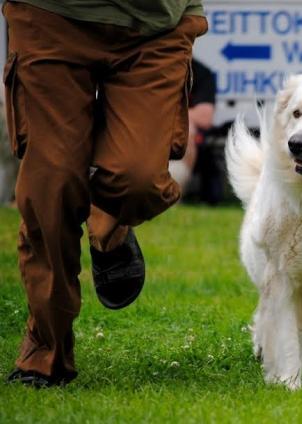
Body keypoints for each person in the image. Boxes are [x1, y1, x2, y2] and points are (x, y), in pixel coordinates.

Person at [3, 0, 207, 387]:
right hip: (51, 16)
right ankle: (45, 351)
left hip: (155, 24)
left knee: (138, 178)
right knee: (53, 188)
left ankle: (108, 224)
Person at [168, 58, 216, 195]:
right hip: (151, 133)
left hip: (187, 138)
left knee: (187, 129)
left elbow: (205, 117)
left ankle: (173, 194)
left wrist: (168, 116)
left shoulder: (200, 72)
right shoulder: (151, 70)